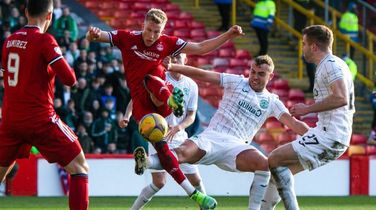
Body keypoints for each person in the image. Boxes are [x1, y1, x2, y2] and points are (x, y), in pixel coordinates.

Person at [86, 8, 244, 209]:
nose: (152, 36)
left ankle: (171, 100)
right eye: (149, 30)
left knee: (152, 79)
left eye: (157, 32)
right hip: (145, 109)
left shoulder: (168, 43)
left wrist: (229, 35)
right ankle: (194, 195)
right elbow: (100, 35)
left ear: (163, 30)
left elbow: (202, 47)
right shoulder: (127, 38)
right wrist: (92, 34)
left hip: (161, 97)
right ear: (142, 24)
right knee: (163, 156)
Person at [136, 55, 309, 210]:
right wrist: (173, 67)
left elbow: (292, 122)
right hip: (211, 137)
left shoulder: (272, 101)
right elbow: (203, 74)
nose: (255, 77)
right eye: (253, 71)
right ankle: (146, 162)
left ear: (270, 76)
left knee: (264, 164)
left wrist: (316, 137)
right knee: (181, 153)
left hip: (237, 146)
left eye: (260, 74)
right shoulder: (236, 81)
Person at [0, 0, 89, 209]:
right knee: (79, 167)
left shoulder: (9, 41)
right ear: (50, 16)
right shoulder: (45, 41)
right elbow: (69, 79)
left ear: (25, 12)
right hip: (40, 120)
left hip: (11, 121)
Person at [267, 25, 355, 210]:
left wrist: (308, 109)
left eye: (304, 43)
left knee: (274, 158)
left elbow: (341, 98)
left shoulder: (330, 65)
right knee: (281, 174)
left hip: (330, 135)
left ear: (314, 46)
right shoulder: (335, 63)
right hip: (334, 135)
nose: (302, 48)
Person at [127, 53, 206, 210]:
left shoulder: (191, 85)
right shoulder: (161, 77)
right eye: (172, 57)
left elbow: (191, 116)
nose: (175, 60)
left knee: (195, 180)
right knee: (159, 182)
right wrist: (126, 115)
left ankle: (146, 162)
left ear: (186, 60)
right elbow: (136, 98)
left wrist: (179, 127)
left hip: (179, 136)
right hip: (158, 135)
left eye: (178, 57)